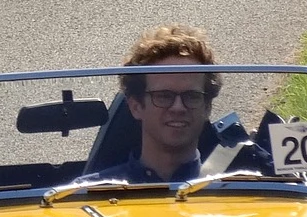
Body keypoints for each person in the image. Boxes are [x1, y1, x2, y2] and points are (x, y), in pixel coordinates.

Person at [85, 24, 220, 184]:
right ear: (136, 107)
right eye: (163, 96)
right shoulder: (87, 195)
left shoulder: (236, 196)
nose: (178, 107)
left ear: (207, 107)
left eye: (191, 96)